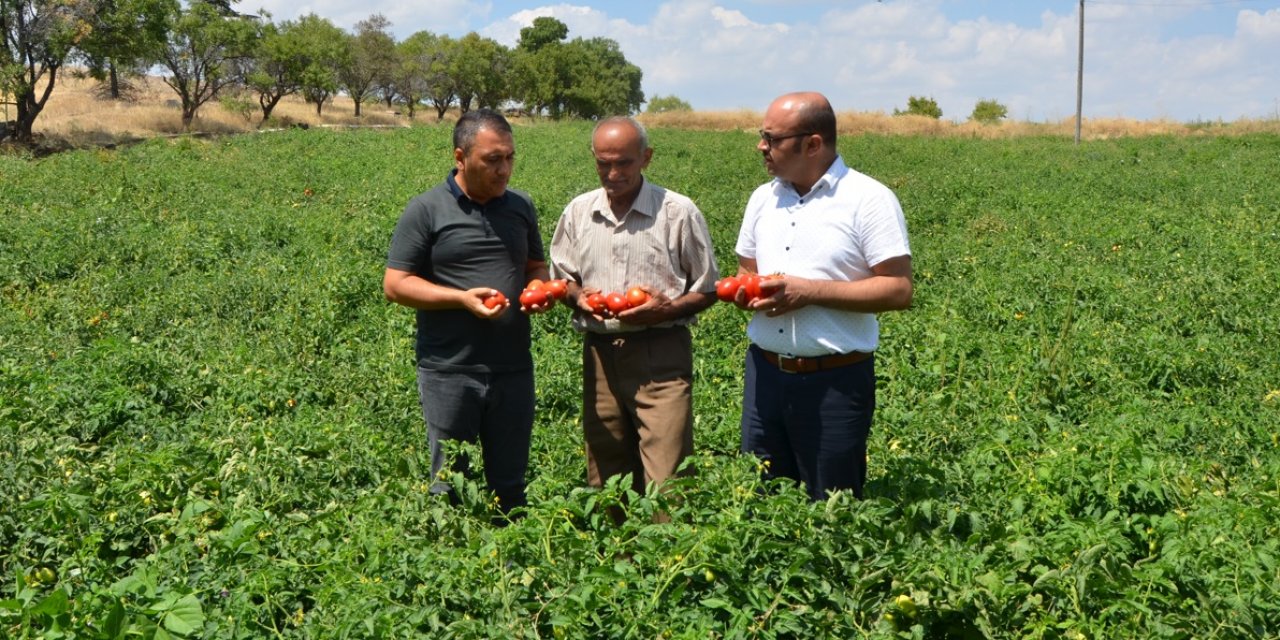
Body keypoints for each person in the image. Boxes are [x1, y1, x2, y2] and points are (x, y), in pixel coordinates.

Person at [734, 92, 913, 501]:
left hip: (835, 380)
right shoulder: (764, 198)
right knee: (762, 502)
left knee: (832, 505)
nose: (761, 146)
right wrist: (746, 291)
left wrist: (809, 292)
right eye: (763, 136)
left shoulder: (868, 200)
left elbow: (899, 288)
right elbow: (747, 270)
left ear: (813, 144)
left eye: (772, 138)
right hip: (765, 375)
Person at [383, 108, 552, 517]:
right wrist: (461, 299)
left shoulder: (520, 206)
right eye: (492, 160)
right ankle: (451, 565)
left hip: (513, 368)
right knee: (449, 483)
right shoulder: (426, 210)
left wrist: (537, 289)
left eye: (510, 157)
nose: (504, 169)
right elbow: (395, 284)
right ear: (460, 158)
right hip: (450, 369)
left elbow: (535, 266)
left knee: (509, 483)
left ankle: (509, 564)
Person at [550, 116, 719, 499]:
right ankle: (619, 554)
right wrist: (578, 298)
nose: (613, 173)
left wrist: (665, 310)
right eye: (603, 162)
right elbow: (563, 279)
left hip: (660, 352)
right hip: (600, 356)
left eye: (623, 162)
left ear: (646, 158)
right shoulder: (579, 212)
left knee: (668, 475)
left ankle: (666, 556)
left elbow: (708, 289)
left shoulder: (677, 212)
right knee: (607, 471)